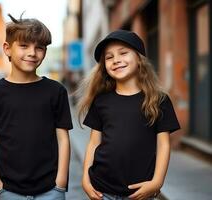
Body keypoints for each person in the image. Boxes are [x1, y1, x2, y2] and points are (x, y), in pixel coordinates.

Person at [0, 13, 73, 200]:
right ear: (7, 48)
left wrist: (60, 183)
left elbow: (63, 139)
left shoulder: (56, 91)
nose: (32, 53)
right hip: (9, 190)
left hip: (50, 190)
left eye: (40, 48)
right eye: (24, 46)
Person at [77, 30, 180, 200]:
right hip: (102, 189)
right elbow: (94, 143)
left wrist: (157, 182)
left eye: (123, 53)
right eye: (109, 57)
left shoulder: (158, 100)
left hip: (140, 192)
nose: (116, 60)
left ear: (139, 59)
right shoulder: (101, 100)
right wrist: (85, 180)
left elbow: (163, 145)